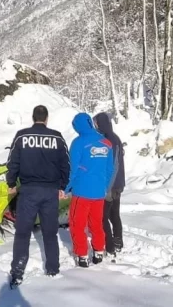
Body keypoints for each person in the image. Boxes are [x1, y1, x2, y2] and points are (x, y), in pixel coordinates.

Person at [6, 105, 70, 287]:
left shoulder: (22, 135)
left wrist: (11, 183)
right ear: (46, 119)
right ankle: (52, 268)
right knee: (50, 232)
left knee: (23, 232)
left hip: (28, 191)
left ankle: (18, 271)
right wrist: (63, 186)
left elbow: (13, 162)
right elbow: (65, 164)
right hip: (50, 192)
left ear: (33, 118)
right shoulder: (57, 137)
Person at [65, 112, 114, 268]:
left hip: (81, 192)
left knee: (77, 224)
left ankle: (82, 255)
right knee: (96, 223)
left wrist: (66, 188)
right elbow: (109, 169)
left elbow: (72, 169)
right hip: (99, 193)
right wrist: (104, 187)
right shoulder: (106, 143)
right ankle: (99, 251)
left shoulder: (78, 142)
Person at [94, 112, 125, 256]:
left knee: (102, 217)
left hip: (110, 186)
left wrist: (106, 188)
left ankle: (110, 245)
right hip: (118, 183)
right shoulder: (115, 137)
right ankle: (118, 241)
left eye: (96, 124)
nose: (95, 126)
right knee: (114, 215)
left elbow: (113, 165)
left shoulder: (108, 140)